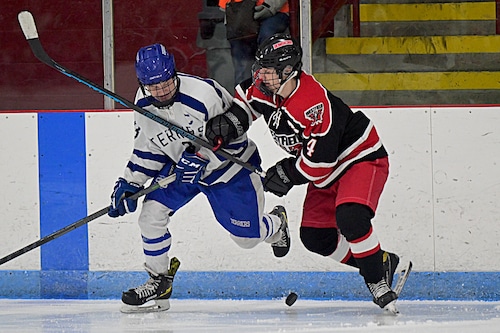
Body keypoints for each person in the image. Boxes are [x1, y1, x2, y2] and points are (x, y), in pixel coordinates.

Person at [205, 33, 404, 311]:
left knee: (351, 217)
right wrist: (229, 125)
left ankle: (376, 280)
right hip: (323, 170)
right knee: (315, 237)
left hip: (359, 156)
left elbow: (319, 164)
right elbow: (245, 103)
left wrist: (286, 173)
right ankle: (381, 261)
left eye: (268, 70)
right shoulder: (266, 86)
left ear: (288, 72)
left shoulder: (311, 102)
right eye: (260, 68)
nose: (260, 75)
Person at [107, 43, 290, 313]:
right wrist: (130, 182)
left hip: (229, 171)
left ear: (174, 73)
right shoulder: (143, 103)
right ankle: (158, 280)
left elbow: (236, 135)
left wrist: (203, 158)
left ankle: (276, 225)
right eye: (153, 87)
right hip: (182, 171)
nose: (161, 91)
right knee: (150, 215)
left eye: (166, 83)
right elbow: (150, 148)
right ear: (142, 83)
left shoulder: (204, 94)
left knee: (247, 238)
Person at [219, 0, 290, 85]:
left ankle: (270, 88)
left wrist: (270, 6)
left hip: (274, 11)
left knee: (267, 44)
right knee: (242, 64)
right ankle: (244, 94)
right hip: (240, 13)